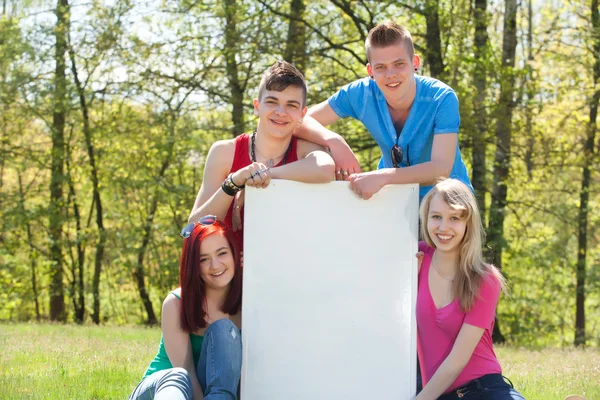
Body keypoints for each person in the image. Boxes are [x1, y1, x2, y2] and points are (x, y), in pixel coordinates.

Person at [295, 22, 472, 201]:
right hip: (394, 202)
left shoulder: (441, 98)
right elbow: (297, 120)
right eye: (381, 67)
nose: (390, 74)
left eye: (399, 64)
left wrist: (383, 177)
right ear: (370, 70)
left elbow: (440, 169)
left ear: (415, 62)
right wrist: (334, 141)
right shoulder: (361, 94)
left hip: (449, 206)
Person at [188, 61, 335, 247]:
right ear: (257, 106)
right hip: (230, 273)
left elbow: (325, 169)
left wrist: (260, 176)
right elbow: (193, 229)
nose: (281, 112)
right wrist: (233, 184)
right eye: (272, 102)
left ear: (302, 114)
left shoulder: (306, 151)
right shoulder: (224, 153)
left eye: (291, 105)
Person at [415, 179, 524, 400]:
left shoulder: (484, 279)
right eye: (436, 216)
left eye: (454, 218)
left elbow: (458, 359)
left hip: (484, 390)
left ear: (468, 224)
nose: (443, 227)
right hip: (439, 394)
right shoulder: (414, 259)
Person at [129, 215, 243, 400]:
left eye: (222, 253)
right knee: (178, 376)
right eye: (203, 259)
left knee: (224, 329)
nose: (215, 265)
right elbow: (187, 371)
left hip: (213, 394)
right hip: (164, 390)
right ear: (193, 265)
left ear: (235, 253)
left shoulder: (249, 304)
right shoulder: (176, 303)